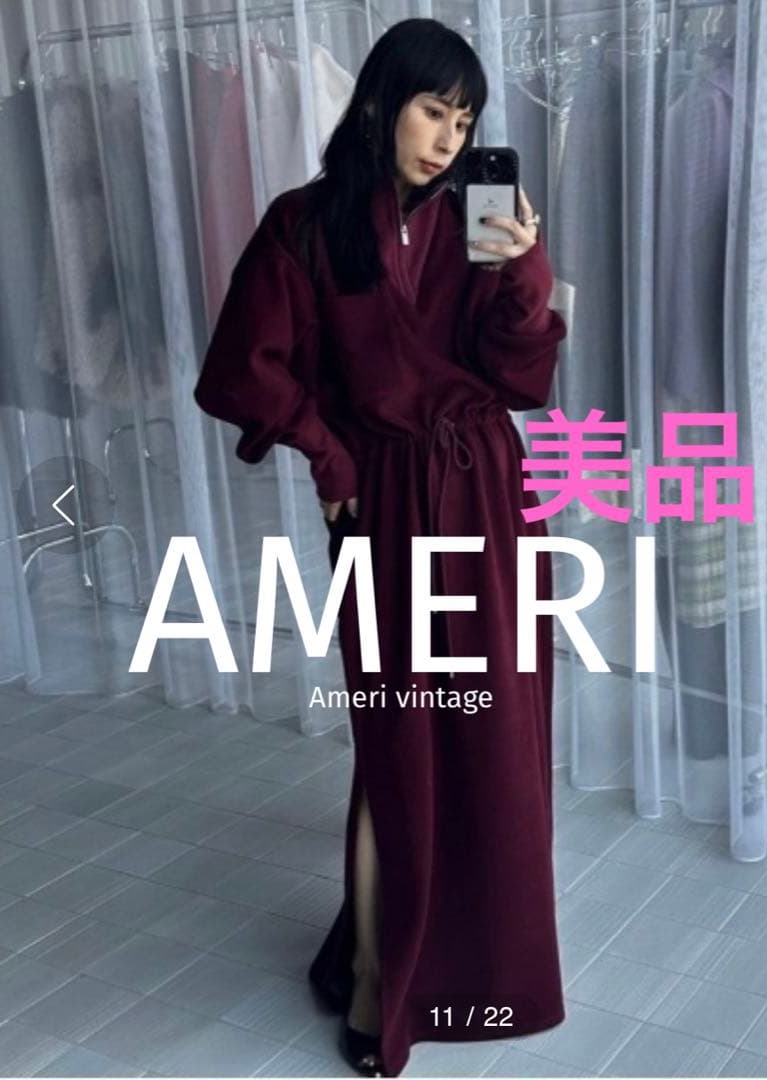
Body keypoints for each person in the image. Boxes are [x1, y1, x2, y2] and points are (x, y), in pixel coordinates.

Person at [194, 18, 567, 1077]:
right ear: (377, 103)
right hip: (386, 504)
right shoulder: (304, 227)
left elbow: (522, 378)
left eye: (466, 120)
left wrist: (525, 267)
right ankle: (373, 974)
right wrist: (330, 461)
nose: (450, 138)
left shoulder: (478, 225)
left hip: (489, 493)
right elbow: (241, 369)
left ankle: (471, 962)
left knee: (493, 732)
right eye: (433, 110)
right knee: (398, 738)